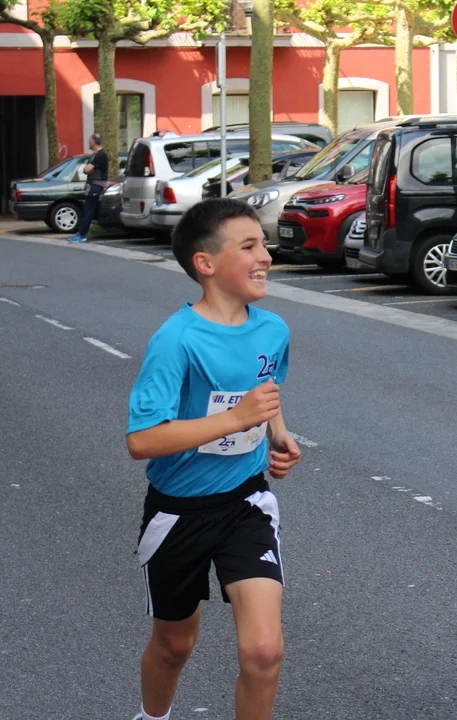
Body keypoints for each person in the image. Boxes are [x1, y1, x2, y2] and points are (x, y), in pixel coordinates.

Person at [125, 198, 303, 720]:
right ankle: (152, 717)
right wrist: (235, 419)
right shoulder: (176, 341)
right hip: (178, 511)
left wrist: (278, 435)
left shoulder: (273, 330)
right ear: (205, 263)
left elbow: (265, 391)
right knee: (175, 645)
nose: (265, 256)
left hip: (246, 502)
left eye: (263, 244)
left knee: (264, 650)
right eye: (248, 246)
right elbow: (142, 440)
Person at [69, 133, 109, 243]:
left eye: (89, 141)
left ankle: (82, 234)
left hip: (96, 185)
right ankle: (80, 232)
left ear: (93, 142)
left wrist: (88, 170)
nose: (88, 143)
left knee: (88, 210)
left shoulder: (100, 155)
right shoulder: (95, 155)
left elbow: (87, 170)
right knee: (87, 209)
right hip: (92, 184)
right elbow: (88, 170)